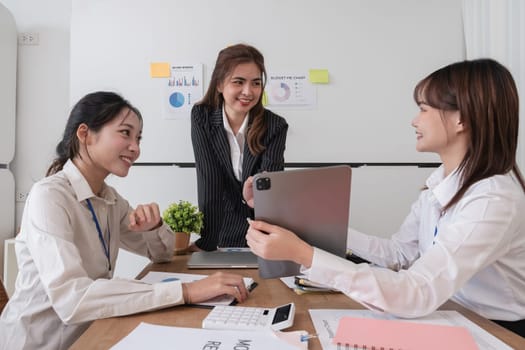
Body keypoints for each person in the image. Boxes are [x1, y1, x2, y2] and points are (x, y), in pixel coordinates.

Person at [245, 58, 525, 337]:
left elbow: (418, 291)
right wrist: (304, 222)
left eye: (424, 109)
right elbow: (398, 254)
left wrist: (303, 253)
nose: (414, 120)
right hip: (451, 315)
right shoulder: (442, 181)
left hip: (496, 332)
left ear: (461, 118)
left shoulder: (493, 200)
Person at [0, 91, 249, 350]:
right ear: (85, 134)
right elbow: (72, 299)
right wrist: (186, 292)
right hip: (39, 344)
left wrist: (154, 228)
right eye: (125, 133)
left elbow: (162, 254)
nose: (136, 147)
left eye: (138, 137)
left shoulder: (109, 199)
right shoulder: (49, 196)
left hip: (93, 333)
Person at [190, 43, 288, 251]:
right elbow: (210, 181)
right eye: (238, 82)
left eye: (255, 83)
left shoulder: (275, 126)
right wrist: (207, 242)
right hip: (219, 232)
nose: (248, 92)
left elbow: (271, 190)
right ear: (219, 84)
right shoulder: (201, 117)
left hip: (262, 233)